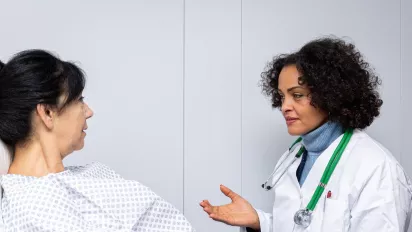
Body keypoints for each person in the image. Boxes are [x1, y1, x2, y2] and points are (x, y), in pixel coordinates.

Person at [200, 37, 412, 231]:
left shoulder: (376, 167)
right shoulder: (290, 160)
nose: (284, 107)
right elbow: (298, 224)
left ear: (330, 94)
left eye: (297, 95)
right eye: (282, 97)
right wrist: (259, 222)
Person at [0, 50, 195, 232]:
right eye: (79, 100)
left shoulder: (93, 173)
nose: (89, 112)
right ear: (47, 113)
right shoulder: (31, 206)